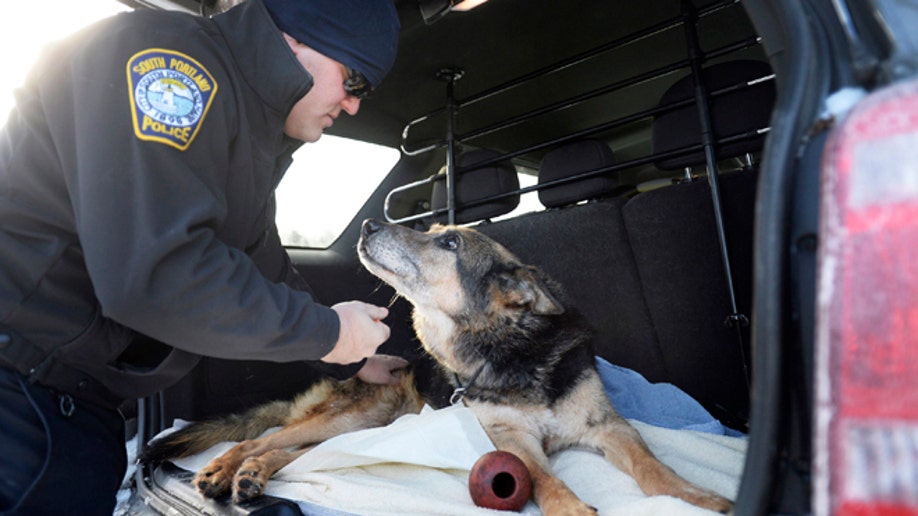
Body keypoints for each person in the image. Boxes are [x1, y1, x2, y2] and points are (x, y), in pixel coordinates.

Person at [0, 0, 404, 513]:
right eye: (356, 80)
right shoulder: (172, 63)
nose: (353, 105)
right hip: (18, 393)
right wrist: (330, 333)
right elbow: (157, 273)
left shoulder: (250, 131)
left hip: (73, 406)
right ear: (297, 41)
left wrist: (351, 356)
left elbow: (260, 265)